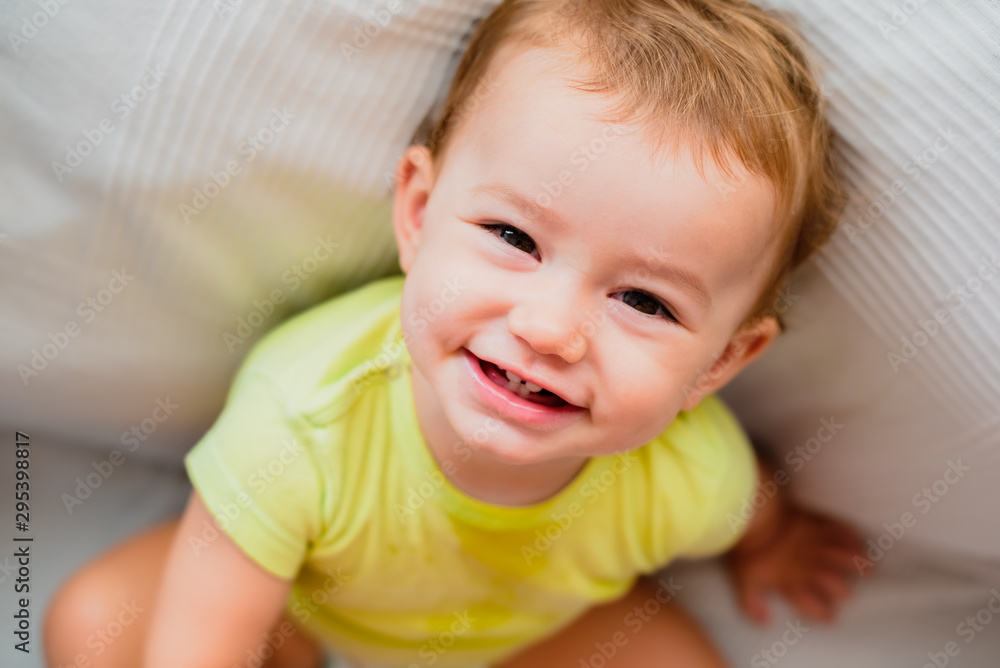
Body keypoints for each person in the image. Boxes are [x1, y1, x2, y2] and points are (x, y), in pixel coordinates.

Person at [43, 0, 860, 666]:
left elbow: (748, 502)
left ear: (719, 362)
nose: (549, 330)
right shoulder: (300, 421)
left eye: (644, 302)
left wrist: (777, 544)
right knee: (96, 625)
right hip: (299, 601)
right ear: (419, 214)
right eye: (514, 239)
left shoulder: (687, 470)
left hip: (529, 636)